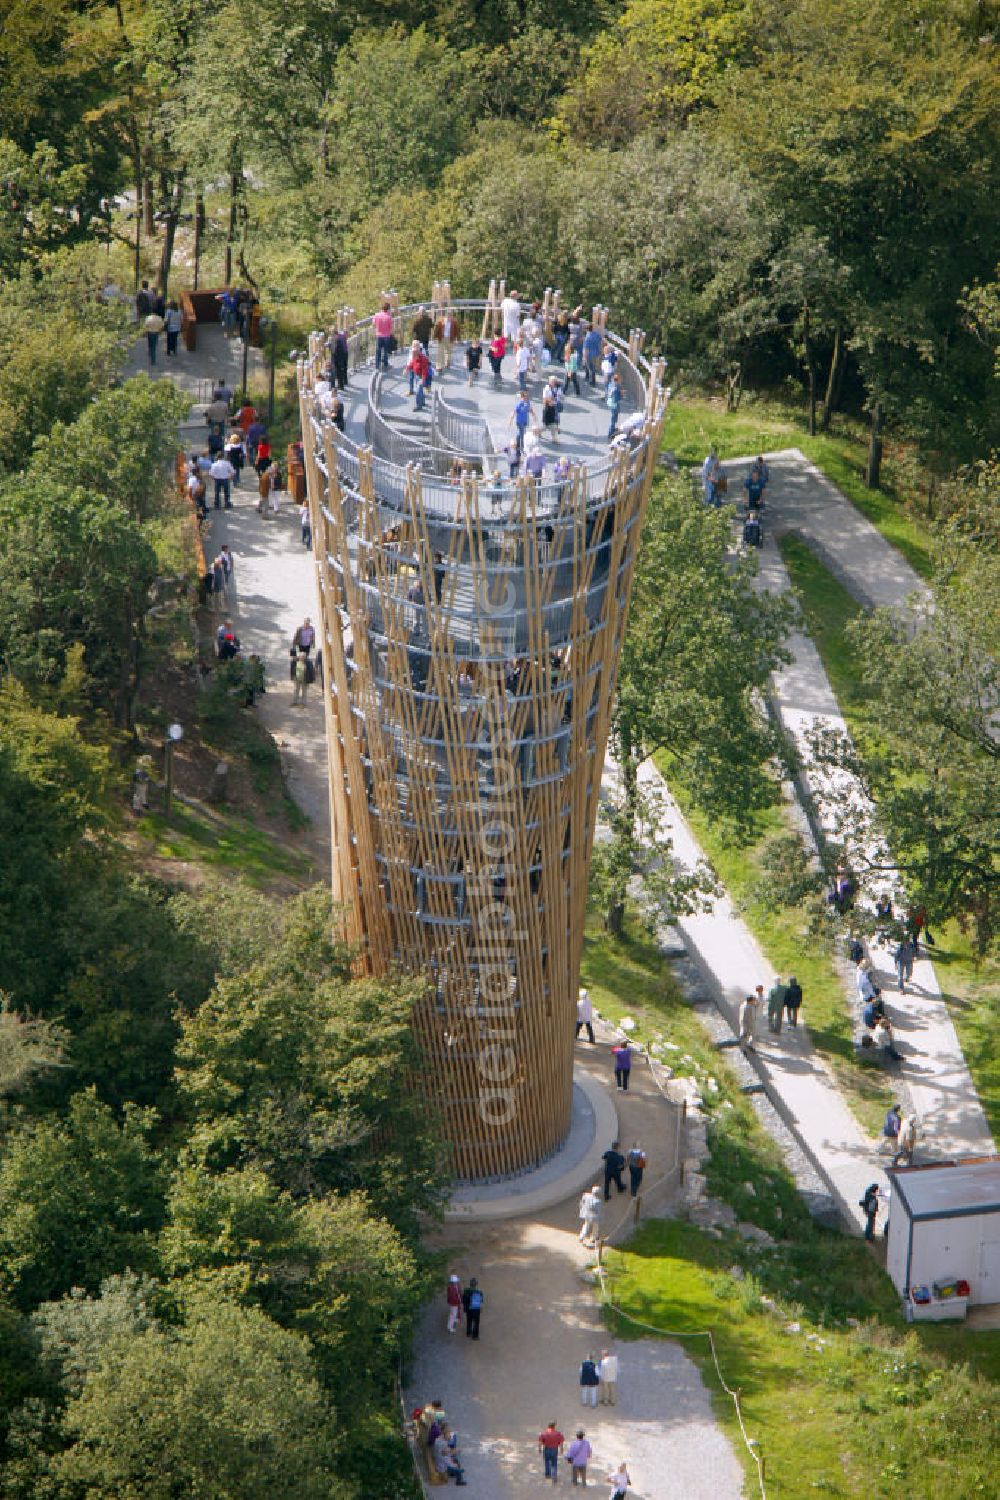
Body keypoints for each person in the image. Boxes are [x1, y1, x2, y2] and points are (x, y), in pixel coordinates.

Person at [372, 301, 394, 370]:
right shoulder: (389, 317)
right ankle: (385, 364)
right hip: (386, 336)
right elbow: (391, 327)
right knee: (385, 351)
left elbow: (373, 324)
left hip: (379, 335)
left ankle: (377, 365)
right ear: (388, 309)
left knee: (378, 350)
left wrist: (377, 328)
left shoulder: (377, 315)